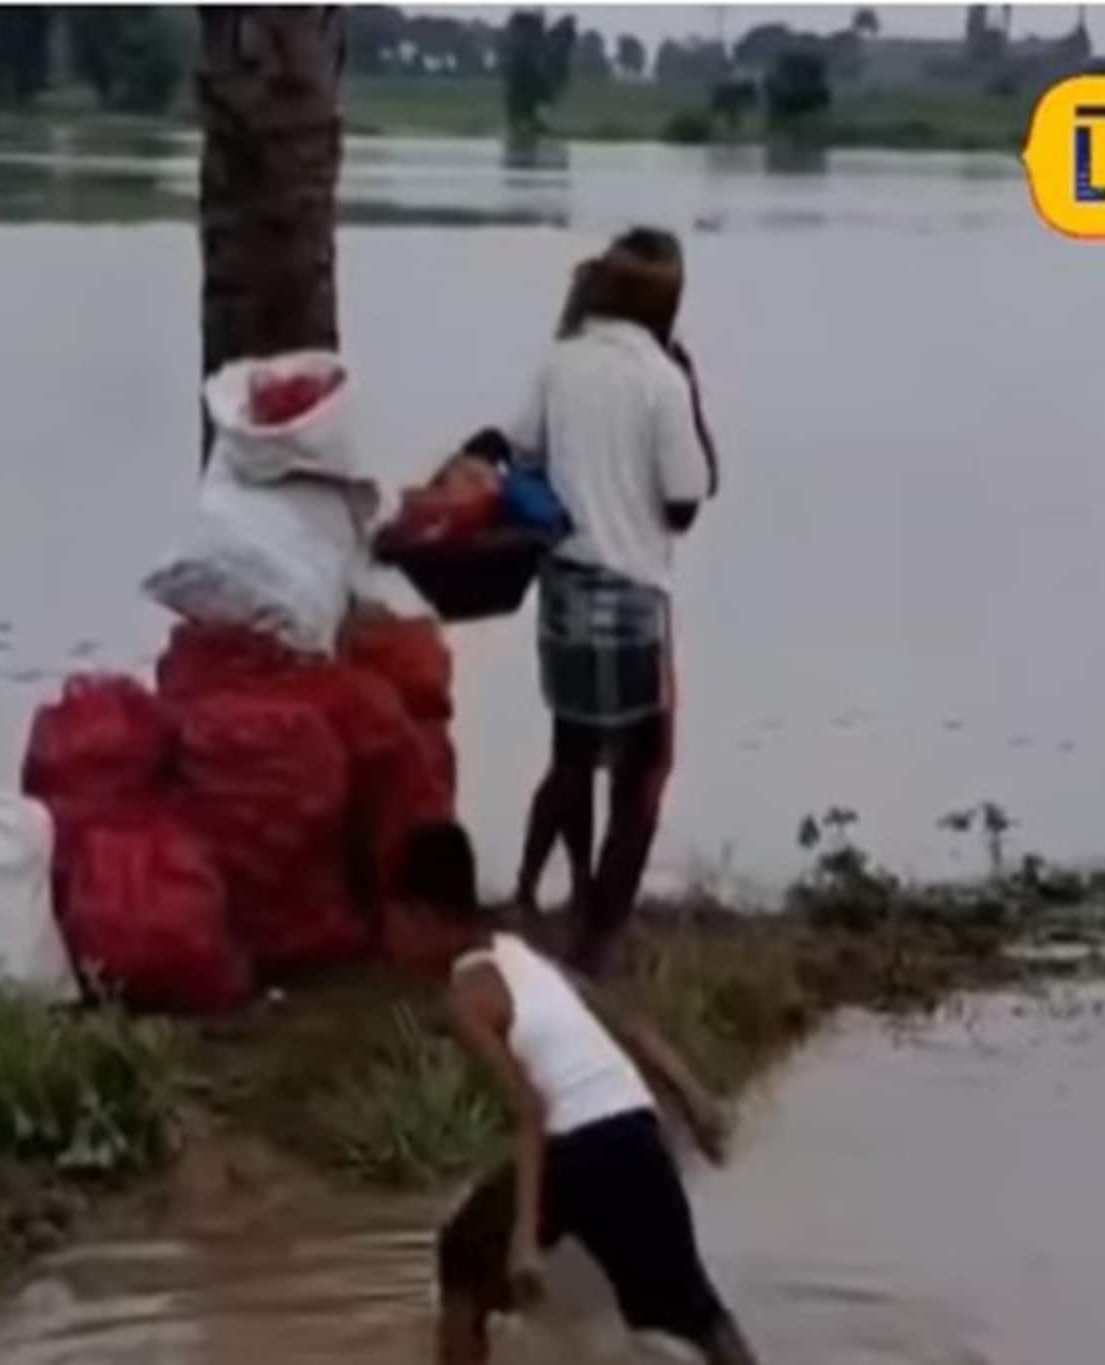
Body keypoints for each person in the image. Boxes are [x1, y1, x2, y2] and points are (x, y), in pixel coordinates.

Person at [399, 821, 760, 1365]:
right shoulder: (522, 954)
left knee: (461, 1256)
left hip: (577, 1147)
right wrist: (697, 1101)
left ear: (423, 917)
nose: (391, 938)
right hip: (637, 1131)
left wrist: (524, 1239)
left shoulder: (463, 998)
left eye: (394, 921)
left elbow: (531, 1109)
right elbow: (626, 1021)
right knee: (691, 1309)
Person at [473, 227, 718, 972]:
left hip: (564, 580)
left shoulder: (562, 360)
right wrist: (690, 399)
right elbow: (684, 500)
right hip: (632, 588)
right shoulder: (660, 378)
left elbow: (517, 450)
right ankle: (598, 938)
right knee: (642, 773)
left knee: (572, 751)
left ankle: (544, 899)